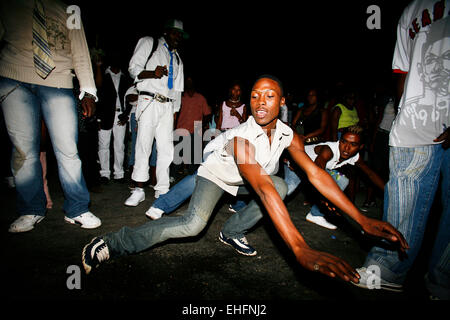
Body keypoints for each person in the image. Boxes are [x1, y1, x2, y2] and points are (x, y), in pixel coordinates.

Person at [82, 75, 408, 286]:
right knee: (193, 224)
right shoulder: (241, 138)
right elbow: (262, 189)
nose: (259, 101)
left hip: (247, 180)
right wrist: (299, 247)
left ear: (282, 103)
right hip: (218, 174)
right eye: (255, 96)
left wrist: (361, 218)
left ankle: (231, 231)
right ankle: (113, 242)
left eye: (268, 96)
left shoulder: (287, 133)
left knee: (282, 184)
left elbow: (316, 173)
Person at [354, 0, 449, 299]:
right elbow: (402, 69)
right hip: (416, 121)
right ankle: (388, 267)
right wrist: (403, 115)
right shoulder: (413, 9)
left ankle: (443, 280)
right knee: (403, 193)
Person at [0, 0, 102, 232]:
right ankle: (31, 209)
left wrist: (88, 89)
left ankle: (77, 208)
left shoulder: (70, 8)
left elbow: (80, 47)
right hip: (13, 75)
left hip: (59, 78)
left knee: (68, 148)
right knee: (24, 150)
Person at [124, 19, 186, 206]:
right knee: (143, 145)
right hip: (149, 100)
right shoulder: (149, 43)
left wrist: (174, 112)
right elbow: (133, 69)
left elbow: (178, 90)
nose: (178, 37)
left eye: (180, 35)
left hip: (167, 106)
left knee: (166, 149)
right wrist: (152, 73)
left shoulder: (177, 59)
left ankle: (162, 190)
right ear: (166, 32)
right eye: (175, 33)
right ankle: (139, 189)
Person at [304, 125, 385, 230]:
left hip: (316, 169)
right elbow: (317, 174)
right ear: (339, 140)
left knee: (342, 180)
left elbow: (370, 174)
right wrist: (324, 198)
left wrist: (388, 191)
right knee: (287, 187)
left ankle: (316, 215)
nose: (346, 148)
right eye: (343, 142)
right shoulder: (329, 150)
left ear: (360, 147)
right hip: (296, 164)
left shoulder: (356, 157)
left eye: (353, 144)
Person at [96, 52, 132, 184]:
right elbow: (97, 97)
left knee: (119, 145)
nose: (116, 60)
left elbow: (129, 98)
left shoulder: (125, 77)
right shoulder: (103, 75)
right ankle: (104, 173)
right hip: (105, 115)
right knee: (104, 145)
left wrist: (126, 115)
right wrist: (98, 118)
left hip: (120, 115)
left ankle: (119, 173)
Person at [174, 75, 211, 175]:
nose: (189, 83)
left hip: (196, 129)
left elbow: (207, 114)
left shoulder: (201, 98)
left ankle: (193, 176)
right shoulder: (180, 97)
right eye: (187, 81)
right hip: (181, 127)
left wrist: (202, 125)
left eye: (191, 81)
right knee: (178, 154)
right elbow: (174, 113)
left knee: (194, 156)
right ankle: (173, 175)